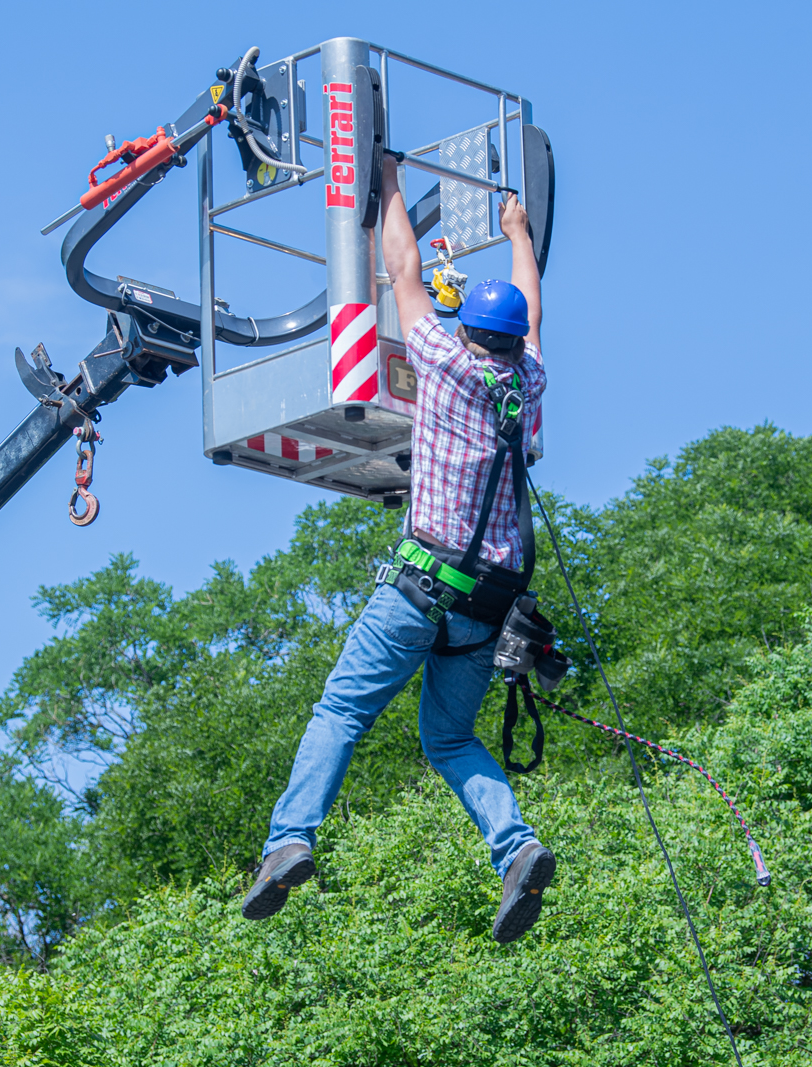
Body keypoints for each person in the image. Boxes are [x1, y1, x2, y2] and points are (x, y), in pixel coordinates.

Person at [241, 156, 553, 943]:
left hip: (419, 587)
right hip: (486, 608)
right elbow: (534, 313)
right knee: (449, 738)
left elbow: (403, 268)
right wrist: (518, 233)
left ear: (467, 330)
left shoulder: (444, 363)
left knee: (342, 709)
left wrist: (386, 182)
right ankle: (516, 846)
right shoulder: (529, 382)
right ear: (514, 340)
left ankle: (289, 841)